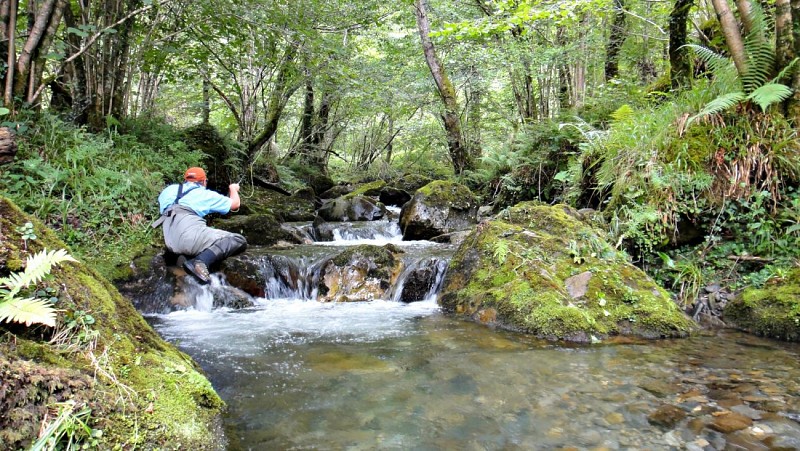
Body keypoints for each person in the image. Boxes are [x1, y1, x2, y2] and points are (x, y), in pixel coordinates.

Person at [151, 167, 247, 284]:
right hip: (188, 237)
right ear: (203, 182)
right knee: (237, 239)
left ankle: (183, 260)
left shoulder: (168, 190)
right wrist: (233, 189)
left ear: (186, 180)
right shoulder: (203, 194)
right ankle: (200, 262)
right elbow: (235, 204)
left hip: (170, 238)